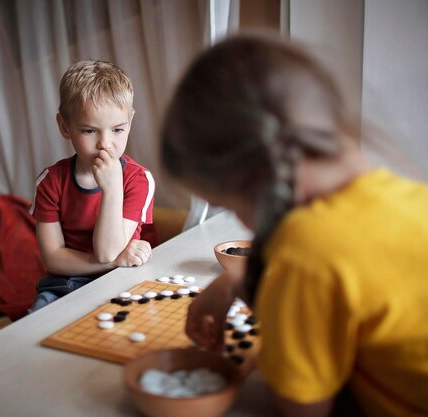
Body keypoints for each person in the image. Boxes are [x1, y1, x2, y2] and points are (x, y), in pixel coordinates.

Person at [160, 33, 428, 417]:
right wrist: (238, 281)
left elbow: (304, 409)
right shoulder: (407, 196)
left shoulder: (305, 249)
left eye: (229, 205)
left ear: (254, 178)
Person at [28, 60, 155, 312]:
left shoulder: (139, 179)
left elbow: (108, 251)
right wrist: (116, 261)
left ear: (130, 121)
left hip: (120, 283)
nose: (105, 144)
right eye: (89, 131)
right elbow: (53, 259)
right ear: (65, 127)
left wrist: (112, 188)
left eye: (118, 129)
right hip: (61, 287)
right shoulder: (51, 181)